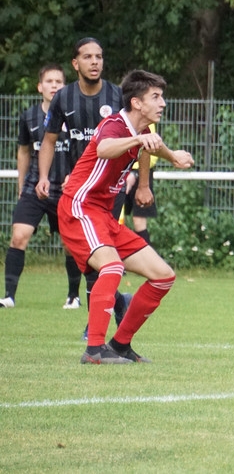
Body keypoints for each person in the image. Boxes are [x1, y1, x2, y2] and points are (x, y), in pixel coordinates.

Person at [60, 69, 193, 364]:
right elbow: (105, 149)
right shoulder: (114, 125)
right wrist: (137, 142)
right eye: (155, 97)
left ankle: (120, 345)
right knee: (112, 267)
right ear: (136, 102)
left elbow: (149, 146)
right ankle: (94, 350)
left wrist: (166, 164)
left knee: (163, 276)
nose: (162, 103)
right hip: (79, 208)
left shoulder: (141, 132)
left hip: (103, 216)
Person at [35, 37, 136, 333]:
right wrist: (43, 176)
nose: (95, 62)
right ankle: (117, 304)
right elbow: (49, 140)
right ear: (75, 63)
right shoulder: (63, 98)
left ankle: (98, 321)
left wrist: (138, 180)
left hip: (110, 189)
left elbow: (138, 137)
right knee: (90, 254)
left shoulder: (117, 96)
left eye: (99, 56)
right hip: (80, 191)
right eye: (88, 57)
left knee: (100, 252)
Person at [1, 64, 83, 309]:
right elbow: (24, 151)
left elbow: (85, 150)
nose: (54, 85)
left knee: (69, 245)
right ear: (40, 87)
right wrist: (22, 185)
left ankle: (73, 296)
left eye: (59, 81)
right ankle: (9, 296)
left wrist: (76, 178)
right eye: (49, 81)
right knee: (19, 236)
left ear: (65, 87)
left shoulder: (75, 116)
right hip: (35, 188)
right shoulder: (29, 116)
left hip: (67, 190)